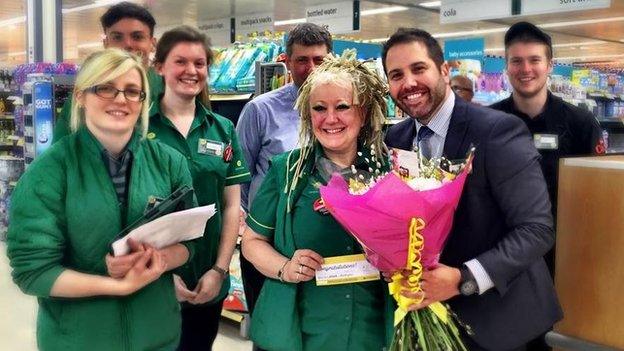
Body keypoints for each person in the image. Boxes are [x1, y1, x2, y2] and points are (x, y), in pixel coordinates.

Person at [382, 28, 562, 351]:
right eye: (396, 75)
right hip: (429, 319)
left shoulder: (496, 131)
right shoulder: (396, 140)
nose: (408, 83)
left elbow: (537, 230)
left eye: (418, 69)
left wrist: (462, 278)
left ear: (445, 71)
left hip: (498, 322)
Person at [7, 48, 197, 351]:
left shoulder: (170, 163)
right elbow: (34, 272)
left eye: (132, 92)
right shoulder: (50, 172)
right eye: (106, 88)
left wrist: (157, 260)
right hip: (78, 341)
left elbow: (191, 245)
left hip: (159, 337)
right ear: (81, 96)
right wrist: (118, 285)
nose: (121, 100)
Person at [241, 54, 393, 351]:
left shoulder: (390, 171)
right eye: (319, 108)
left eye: (342, 107)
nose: (330, 118)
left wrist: (400, 265)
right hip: (303, 333)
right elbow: (252, 241)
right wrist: (285, 266)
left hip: (372, 334)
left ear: (362, 113)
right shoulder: (286, 170)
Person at [148, 25, 251, 350]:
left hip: (208, 282)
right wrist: (161, 275)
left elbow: (232, 205)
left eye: (199, 63)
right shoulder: (138, 129)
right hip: (150, 283)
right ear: (160, 66)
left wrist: (220, 271)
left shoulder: (222, 129)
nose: (191, 71)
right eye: (181, 61)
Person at [490, 21, 604, 277]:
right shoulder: (489, 122)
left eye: (534, 60)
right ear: (506, 67)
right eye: (516, 61)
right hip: (502, 253)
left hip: (562, 252)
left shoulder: (580, 123)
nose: (526, 69)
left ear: (549, 64)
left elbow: (594, 194)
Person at [235, 22, 332, 320]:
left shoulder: (343, 110)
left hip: (322, 249)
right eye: (302, 60)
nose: (311, 68)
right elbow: (240, 177)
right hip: (267, 246)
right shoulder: (260, 110)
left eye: (319, 60)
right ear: (286, 62)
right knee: (271, 330)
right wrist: (253, 229)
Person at [53, 1, 162, 143]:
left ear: (153, 44)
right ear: (106, 44)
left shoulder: (169, 92)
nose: (127, 45)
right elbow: (60, 154)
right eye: (117, 37)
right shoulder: (86, 94)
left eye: (137, 37)